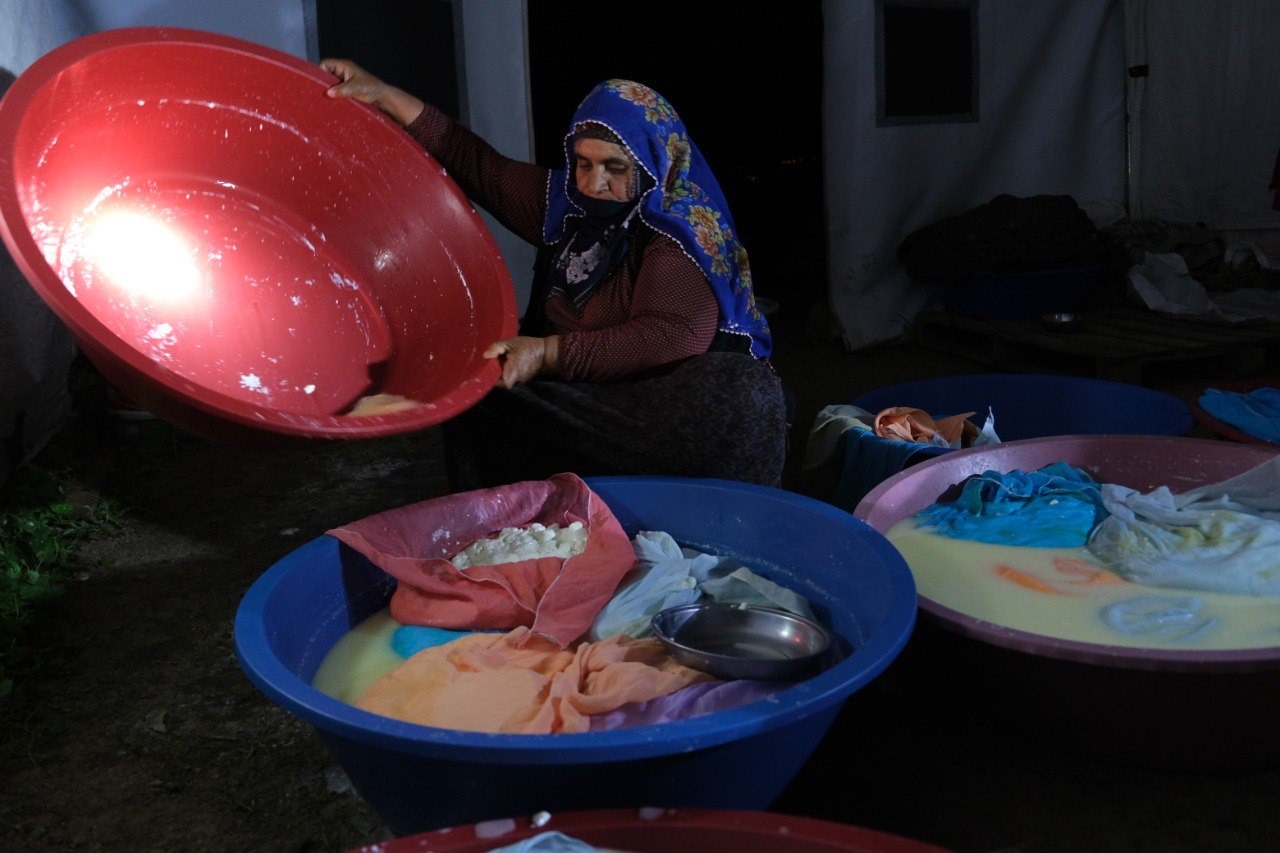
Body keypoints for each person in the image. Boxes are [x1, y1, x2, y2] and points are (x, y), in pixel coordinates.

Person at [322, 60, 787, 488]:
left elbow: (671, 335)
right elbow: (479, 165)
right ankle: (511, 528)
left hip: (667, 410)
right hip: (594, 392)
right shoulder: (570, 205)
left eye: (614, 168)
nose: (592, 183)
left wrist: (546, 353)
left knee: (731, 399)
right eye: (583, 163)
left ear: (653, 164)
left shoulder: (676, 234)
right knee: (483, 394)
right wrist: (384, 94)